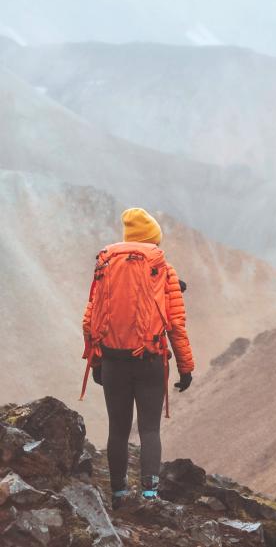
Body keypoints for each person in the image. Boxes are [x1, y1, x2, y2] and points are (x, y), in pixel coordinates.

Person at [81, 207, 194, 507]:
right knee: (149, 429)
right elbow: (176, 326)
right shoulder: (164, 270)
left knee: (117, 429)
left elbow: (89, 320)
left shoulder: (107, 265)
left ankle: (118, 494)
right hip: (151, 360)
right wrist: (186, 368)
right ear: (153, 240)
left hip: (113, 360)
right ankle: (149, 495)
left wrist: (96, 362)